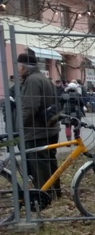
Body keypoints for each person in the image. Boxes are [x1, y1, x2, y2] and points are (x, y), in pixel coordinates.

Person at [17, 49, 60, 195]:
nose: (18, 70)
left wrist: (19, 127)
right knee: (50, 161)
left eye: (19, 66)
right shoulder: (43, 78)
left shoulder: (32, 81)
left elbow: (29, 107)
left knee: (40, 165)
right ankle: (55, 192)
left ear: (23, 67)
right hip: (49, 128)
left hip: (36, 131)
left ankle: (44, 196)